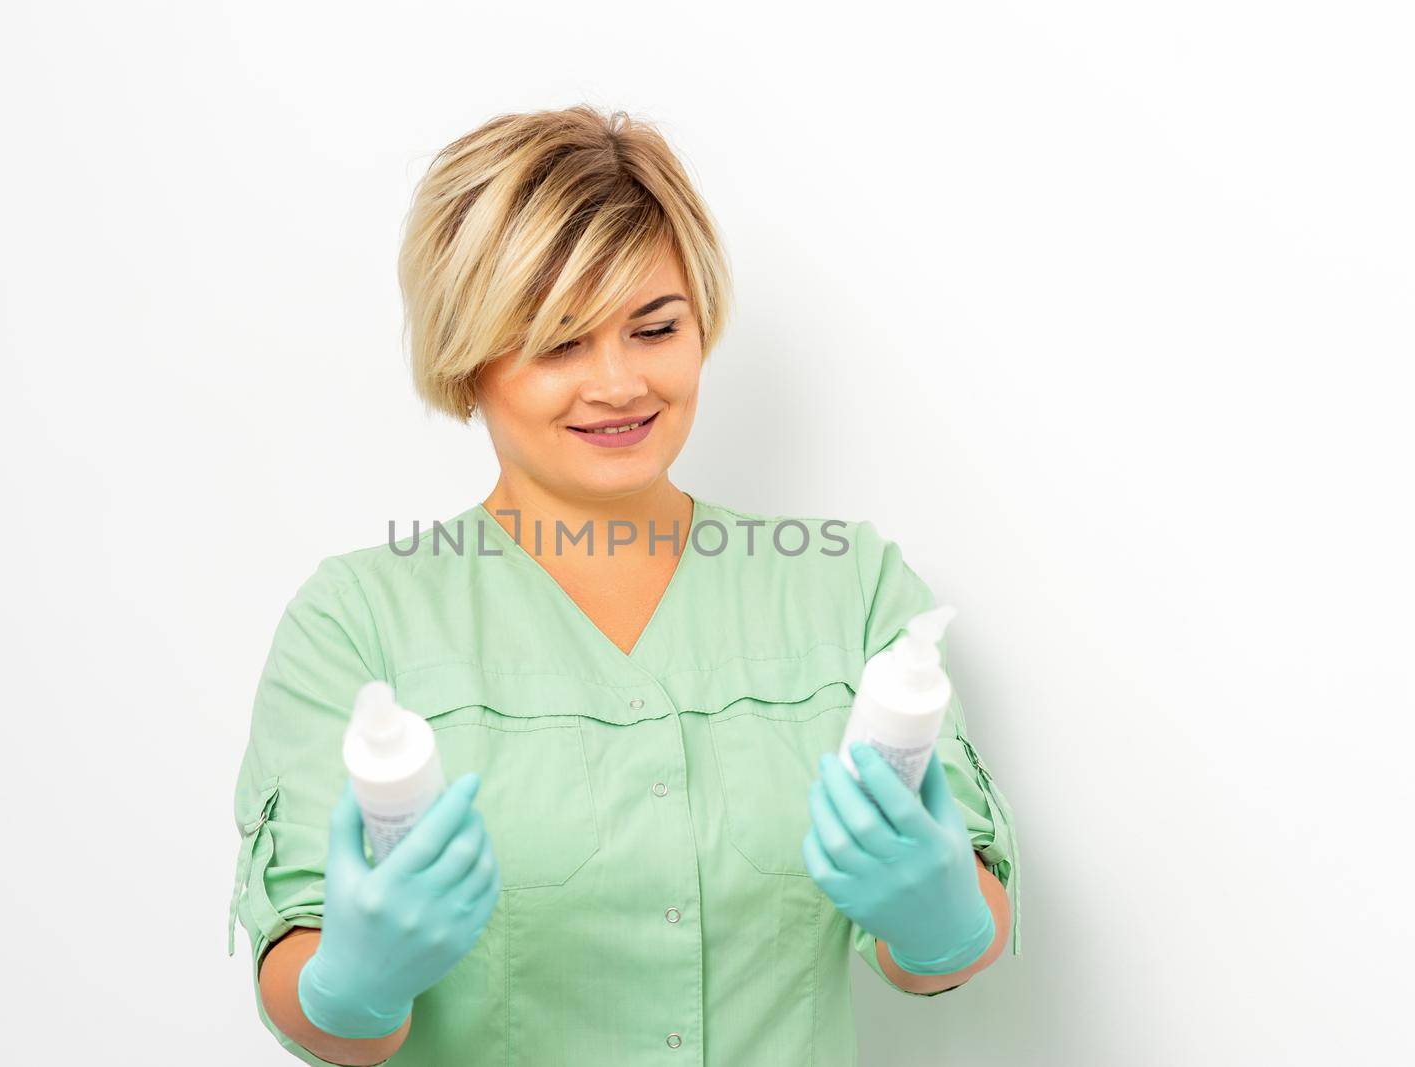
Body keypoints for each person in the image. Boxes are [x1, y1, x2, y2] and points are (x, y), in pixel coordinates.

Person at [227, 104, 1022, 1067]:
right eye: (559, 343)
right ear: (466, 355)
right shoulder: (358, 624)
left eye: (654, 328)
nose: (618, 384)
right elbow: (308, 995)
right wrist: (355, 980)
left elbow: (949, 939)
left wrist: (939, 923)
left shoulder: (848, 588)